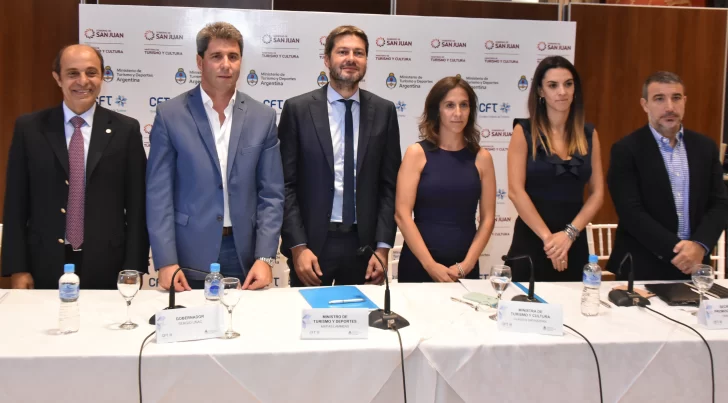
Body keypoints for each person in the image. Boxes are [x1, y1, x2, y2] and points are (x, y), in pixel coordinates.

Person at [146, 22, 283, 291]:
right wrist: (166, 261)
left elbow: (271, 194)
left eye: (233, 56)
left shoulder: (263, 117)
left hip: (245, 255)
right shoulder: (170, 115)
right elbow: (159, 195)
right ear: (200, 62)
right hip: (188, 254)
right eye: (216, 56)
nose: (226, 64)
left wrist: (265, 257)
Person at [2, 44, 148, 289]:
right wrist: (18, 268)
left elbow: (137, 207)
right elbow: (15, 204)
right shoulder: (30, 129)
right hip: (43, 264)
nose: (83, 81)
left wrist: (133, 266)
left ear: (102, 77)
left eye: (91, 72)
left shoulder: (126, 130)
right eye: (72, 73)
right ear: (57, 78)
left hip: (108, 266)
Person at [278, 25, 401, 287]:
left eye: (359, 53)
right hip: (312, 247)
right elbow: (285, 185)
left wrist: (382, 248)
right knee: (307, 312)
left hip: (365, 248)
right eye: (343, 52)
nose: (351, 59)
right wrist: (298, 247)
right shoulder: (297, 110)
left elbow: (389, 187)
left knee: (362, 313)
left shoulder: (385, 111)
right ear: (327, 59)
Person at [607, 71, 728, 280]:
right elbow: (631, 212)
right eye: (659, 99)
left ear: (685, 101)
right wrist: (679, 251)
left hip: (695, 266)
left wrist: (699, 246)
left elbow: (720, 203)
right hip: (642, 267)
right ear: (645, 105)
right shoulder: (626, 149)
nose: (669, 107)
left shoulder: (705, 147)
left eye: (676, 98)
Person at [507, 56, 604, 282]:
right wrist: (549, 240)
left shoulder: (589, 134)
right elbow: (515, 191)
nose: (562, 92)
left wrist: (568, 235)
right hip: (533, 240)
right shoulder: (524, 131)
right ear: (541, 91)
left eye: (568, 84)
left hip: (573, 242)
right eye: (553, 85)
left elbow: (597, 193)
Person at [395, 76, 495, 282]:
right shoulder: (416, 154)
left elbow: (488, 219)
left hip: (464, 268)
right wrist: (430, 265)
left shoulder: (482, 157)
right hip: (419, 265)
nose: (458, 113)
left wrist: (466, 265)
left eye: (464, 105)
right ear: (436, 110)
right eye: (450, 105)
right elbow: (402, 215)